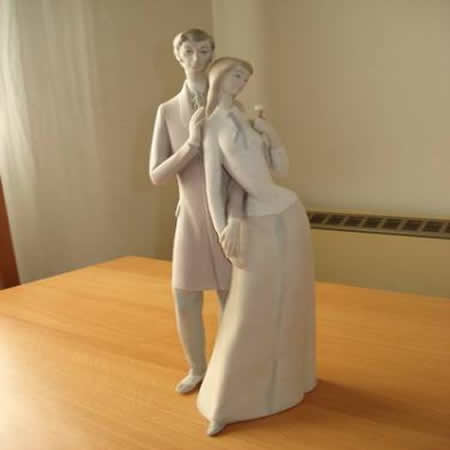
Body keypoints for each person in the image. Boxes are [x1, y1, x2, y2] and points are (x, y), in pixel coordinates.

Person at [197, 57, 317, 436]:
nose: (242, 82)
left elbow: (280, 170)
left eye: (245, 78)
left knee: (291, 298)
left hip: (288, 211)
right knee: (249, 308)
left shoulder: (247, 121)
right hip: (255, 222)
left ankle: (291, 380)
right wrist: (223, 230)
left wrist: (272, 135)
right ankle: (227, 402)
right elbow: (213, 187)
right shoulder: (212, 125)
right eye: (237, 75)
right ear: (219, 76)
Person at [149, 31, 245, 394]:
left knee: (231, 296)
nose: (196, 58)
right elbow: (157, 174)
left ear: (212, 54)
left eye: (203, 51)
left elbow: (242, 171)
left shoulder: (232, 107)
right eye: (188, 51)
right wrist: (190, 144)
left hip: (227, 217)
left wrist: (236, 217)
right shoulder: (167, 111)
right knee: (185, 294)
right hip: (190, 215)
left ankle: (229, 367)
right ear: (177, 55)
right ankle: (197, 368)